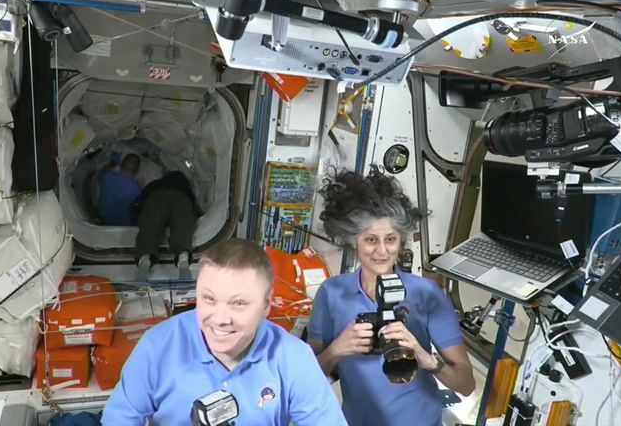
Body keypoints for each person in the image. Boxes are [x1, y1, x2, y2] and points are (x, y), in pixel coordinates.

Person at [101, 238, 348, 426]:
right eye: (209, 299)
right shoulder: (158, 346)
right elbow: (120, 418)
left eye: (238, 303)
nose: (219, 319)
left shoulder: (293, 357)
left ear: (266, 306)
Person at [308, 165, 475, 426]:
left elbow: (465, 384)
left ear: (401, 241)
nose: (382, 251)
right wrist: (338, 350)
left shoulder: (427, 293)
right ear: (353, 241)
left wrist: (426, 359)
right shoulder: (332, 293)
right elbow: (308, 379)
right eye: (371, 240)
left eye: (391, 239)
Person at [134, 170, 201, 281]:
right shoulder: (185, 191)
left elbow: (140, 204)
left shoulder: (155, 186)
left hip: (157, 198)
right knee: (182, 229)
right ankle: (183, 257)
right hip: (182, 200)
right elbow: (194, 213)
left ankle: (145, 258)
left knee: (150, 227)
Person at [97, 153, 142, 226]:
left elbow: (109, 167)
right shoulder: (136, 189)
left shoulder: (106, 177)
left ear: (121, 165)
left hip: (104, 223)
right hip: (125, 226)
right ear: (137, 169)